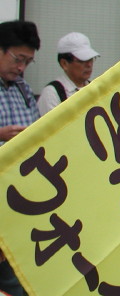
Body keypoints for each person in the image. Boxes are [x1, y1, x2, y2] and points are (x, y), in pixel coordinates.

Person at [0, 20, 40, 295]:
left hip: (21, 199)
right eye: (18, 59)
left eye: (28, 61)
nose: (21, 67)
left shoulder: (23, 89)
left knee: (21, 278)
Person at [37, 32, 100, 115]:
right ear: (64, 64)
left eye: (91, 59)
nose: (89, 65)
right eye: (82, 60)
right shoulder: (52, 93)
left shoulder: (95, 89)